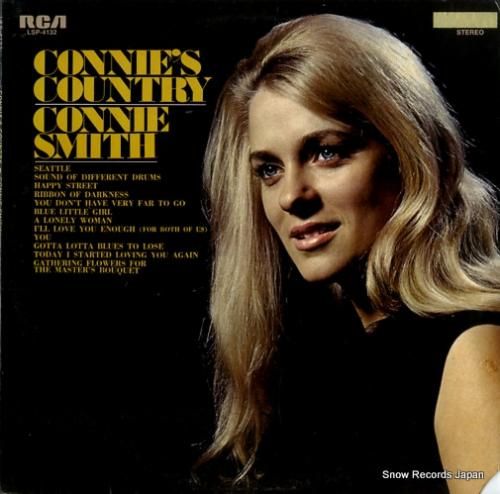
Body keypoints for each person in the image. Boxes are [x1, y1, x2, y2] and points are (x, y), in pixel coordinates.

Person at [200, 14, 500, 494]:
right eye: (269, 169)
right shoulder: (332, 364)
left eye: (327, 151)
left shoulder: (472, 352)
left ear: (407, 153)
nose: (291, 196)